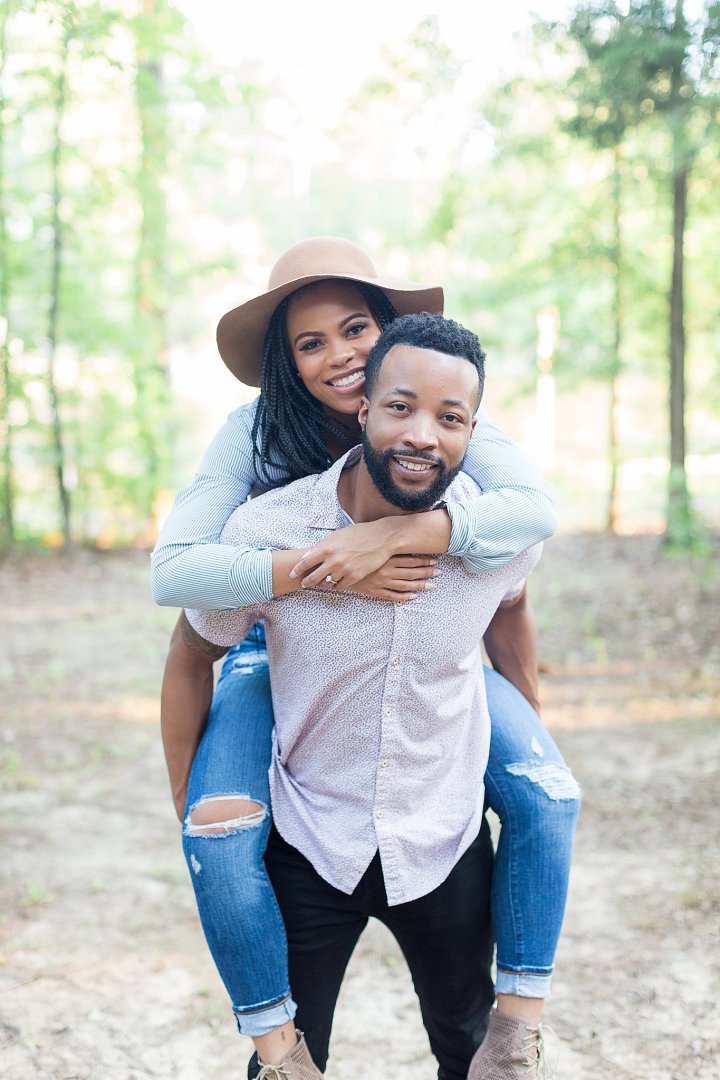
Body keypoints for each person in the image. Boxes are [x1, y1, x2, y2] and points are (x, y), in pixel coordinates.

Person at [153, 238, 580, 1078]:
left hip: (433, 655)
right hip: (270, 636)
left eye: (355, 329)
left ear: (389, 331)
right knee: (220, 829)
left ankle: (517, 1026)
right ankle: (281, 1054)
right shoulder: (253, 440)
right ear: (287, 364)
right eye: (310, 343)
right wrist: (324, 565)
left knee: (547, 794)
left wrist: (405, 534)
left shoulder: (448, 419)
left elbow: (531, 522)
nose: (341, 355)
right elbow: (177, 577)